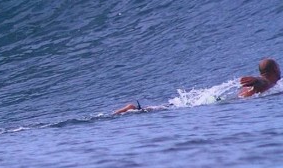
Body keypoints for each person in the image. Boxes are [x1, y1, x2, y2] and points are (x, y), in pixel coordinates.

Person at [114, 57, 280, 115]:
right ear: (274, 69)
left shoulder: (255, 86)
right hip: (218, 102)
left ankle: (136, 109)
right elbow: (263, 83)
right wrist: (258, 81)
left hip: (215, 99)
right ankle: (135, 109)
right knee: (174, 108)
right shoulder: (267, 82)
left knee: (170, 107)